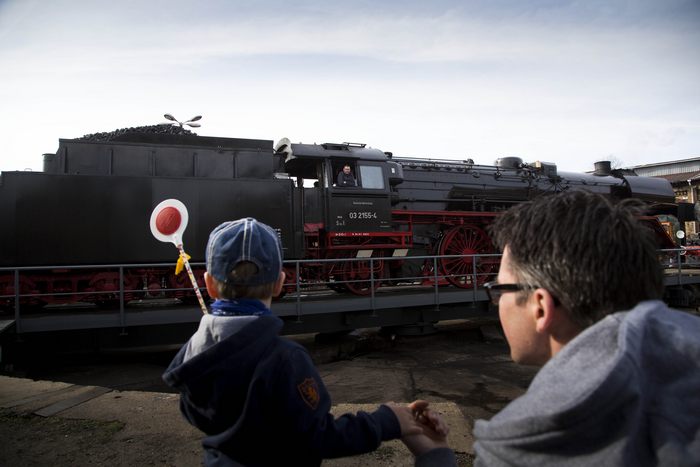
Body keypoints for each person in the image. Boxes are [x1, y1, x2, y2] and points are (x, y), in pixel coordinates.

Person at [404, 190, 700, 466]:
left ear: (541, 307)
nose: (496, 302)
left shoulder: (519, 446)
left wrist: (435, 458)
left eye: (499, 289)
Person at [162, 217, 430, 466]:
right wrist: (388, 420)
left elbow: (192, 412)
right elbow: (319, 436)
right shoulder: (286, 359)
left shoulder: (193, 353)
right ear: (280, 283)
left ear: (208, 284)